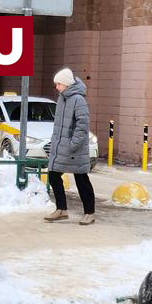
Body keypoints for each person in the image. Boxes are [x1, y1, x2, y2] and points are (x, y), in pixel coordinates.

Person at [43, 68, 95, 224]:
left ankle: (89, 213)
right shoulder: (62, 99)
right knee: (53, 175)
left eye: (58, 84)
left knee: (81, 179)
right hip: (61, 147)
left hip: (74, 149)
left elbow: (82, 124)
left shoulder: (78, 99)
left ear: (66, 84)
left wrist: (73, 144)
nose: (56, 87)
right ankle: (61, 209)